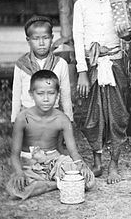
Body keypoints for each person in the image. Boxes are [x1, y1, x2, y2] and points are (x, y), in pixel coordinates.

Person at [73, 0, 130, 184]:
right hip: (91, 67)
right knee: (92, 117)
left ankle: (113, 163)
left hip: (114, 65)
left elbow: (127, 36)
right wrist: (82, 71)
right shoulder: (81, 6)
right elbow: (78, 40)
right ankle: (97, 161)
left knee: (116, 116)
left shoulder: (119, 4)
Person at [6, 70, 94, 200]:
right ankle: (58, 184)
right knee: (14, 189)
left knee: (89, 180)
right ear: (31, 94)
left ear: (57, 95)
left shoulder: (62, 119)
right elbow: (14, 154)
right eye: (40, 94)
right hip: (31, 165)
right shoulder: (22, 118)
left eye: (51, 93)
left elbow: (73, 152)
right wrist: (19, 173)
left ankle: (48, 185)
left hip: (55, 162)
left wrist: (82, 166)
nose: (46, 99)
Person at [11, 15, 73, 124]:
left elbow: (65, 94)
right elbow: (16, 94)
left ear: (52, 37)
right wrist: (14, 118)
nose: (41, 43)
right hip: (28, 117)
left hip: (53, 117)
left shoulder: (60, 64)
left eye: (45, 38)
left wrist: (69, 119)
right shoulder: (21, 65)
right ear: (28, 40)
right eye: (35, 38)